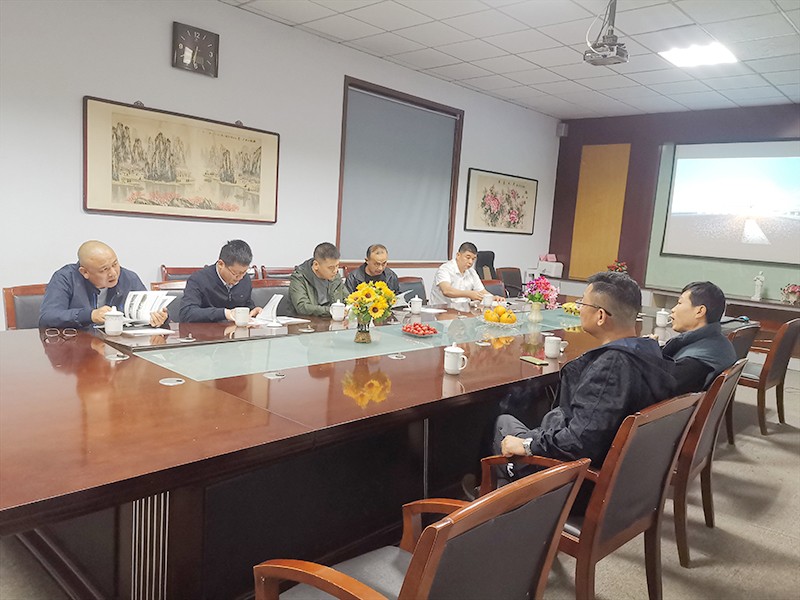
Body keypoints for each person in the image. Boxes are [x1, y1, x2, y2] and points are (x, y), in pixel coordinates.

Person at [494, 272, 677, 478]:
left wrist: (528, 445)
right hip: (627, 471)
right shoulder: (648, 350)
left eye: (582, 303)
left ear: (600, 316)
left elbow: (578, 441)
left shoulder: (611, 368)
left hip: (575, 478)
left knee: (503, 424)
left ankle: (500, 493)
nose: (579, 309)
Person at [40, 240, 168, 329]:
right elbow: (48, 317)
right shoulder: (65, 278)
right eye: (104, 270)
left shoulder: (129, 278)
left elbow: (151, 310)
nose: (113, 273)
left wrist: (160, 317)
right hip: (77, 349)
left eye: (115, 264)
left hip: (120, 347)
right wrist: (90, 315)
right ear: (85, 272)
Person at [661, 281, 737, 395]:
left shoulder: (695, 362)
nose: (673, 309)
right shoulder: (720, 343)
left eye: (680, 303)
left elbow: (658, 387)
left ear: (700, 311)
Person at [179, 239, 262, 323]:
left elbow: (246, 304)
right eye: (235, 274)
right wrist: (224, 313)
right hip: (207, 330)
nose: (240, 278)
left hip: (235, 330)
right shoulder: (199, 279)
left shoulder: (245, 279)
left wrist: (253, 311)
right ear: (221, 264)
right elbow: (186, 313)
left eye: (244, 272)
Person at [430, 242, 504, 306]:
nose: (470, 262)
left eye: (473, 259)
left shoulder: (471, 272)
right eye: (468, 258)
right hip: (442, 310)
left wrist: (493, 298)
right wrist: (469, 294)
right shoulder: (445, 269)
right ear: (458, 255)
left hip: (464, 310)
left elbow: (482, 291)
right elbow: (447, 291)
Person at [289, 242, 346, 317]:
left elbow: (348, 299)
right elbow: (302, 307)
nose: (335, 270)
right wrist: (331, 311)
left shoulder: (335, 277)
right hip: (308, 321)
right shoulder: (300, 278)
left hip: (332, 321)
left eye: (337, 266)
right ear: (316, 265)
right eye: (331, 267)